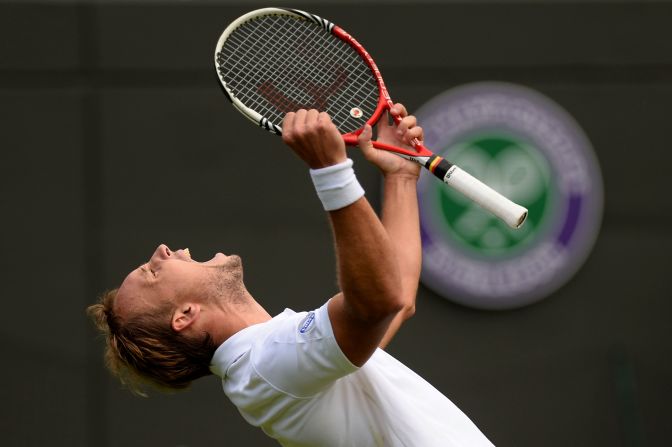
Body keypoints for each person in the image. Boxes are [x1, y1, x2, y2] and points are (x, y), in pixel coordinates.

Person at [88, 104, 495, 446]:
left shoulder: (274, 361)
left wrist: (400, 177)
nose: (161, 251)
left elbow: (396, 299)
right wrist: (331, 170)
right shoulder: (266, 366)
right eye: (151, 272)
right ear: (184, 315)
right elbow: (378, 302)